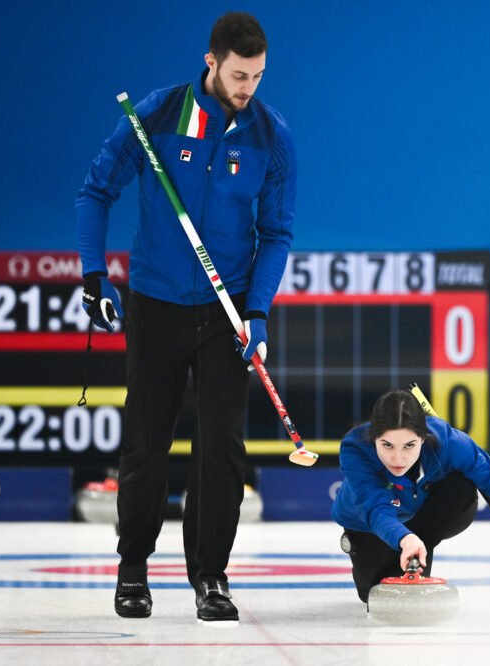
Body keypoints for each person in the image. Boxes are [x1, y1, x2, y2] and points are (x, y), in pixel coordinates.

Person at [75, 12, 296, 623]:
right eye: (238, 73)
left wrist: (258, 312)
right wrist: (94, 275)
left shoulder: (270, 135)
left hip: (228, 315)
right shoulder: (160, 113)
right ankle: (132, 570)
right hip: (157, 303)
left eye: (256, 75)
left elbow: (276, 233)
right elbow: (96, 192)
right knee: (146, 443)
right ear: (211, 61)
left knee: (221, 448)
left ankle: (211, 577)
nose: (248, 86)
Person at [331, 389, 490, 604]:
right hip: (369, 525)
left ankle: (419, 551)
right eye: (387, 445)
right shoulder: (356, 448)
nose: (398, 458)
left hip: (424, 518)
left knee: (459, 484)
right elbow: (377, 510)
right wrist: (406, 539)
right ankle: (404, 551)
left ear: (423, 439)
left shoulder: (451, 443)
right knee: (375, 595)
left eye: (409, 445)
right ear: (374, 438)